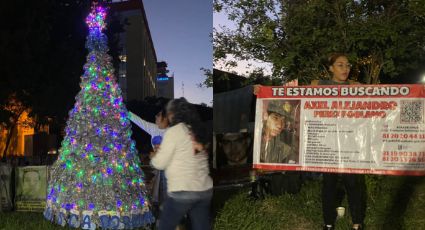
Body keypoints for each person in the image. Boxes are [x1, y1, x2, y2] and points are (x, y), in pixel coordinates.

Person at [312, 53, 365, 230]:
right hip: (328, 145)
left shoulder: (355, 87)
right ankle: (328, 224)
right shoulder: (318, 85)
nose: (345, 69)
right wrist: (262, 90)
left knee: (353, 184)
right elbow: (289, 93)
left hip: (350, 143)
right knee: (329, 185)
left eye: (348, 65)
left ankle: (357, 223)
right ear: (330, 68)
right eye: (340, 65)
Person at [151, 97, 213, 230]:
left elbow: (160, 163)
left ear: (172, 114)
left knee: (164, 226)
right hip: (204, 189)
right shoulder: (196, 130)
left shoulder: (174, 132)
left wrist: (153, 157)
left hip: (183, 190)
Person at [128, 108, 169, 219]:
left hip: (168, 170)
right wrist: (125, 112)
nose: (156, 116)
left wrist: (159, 153)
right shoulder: (154, 128)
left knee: (165, 197)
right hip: (156, 167)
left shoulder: (171, 132)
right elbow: (140, 122)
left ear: (165, 118)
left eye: (159, 115)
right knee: (154, 196)